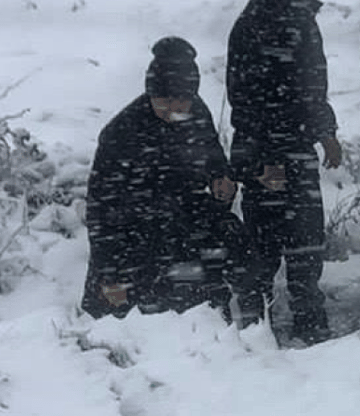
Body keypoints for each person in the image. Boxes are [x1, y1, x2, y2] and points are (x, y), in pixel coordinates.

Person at [81, 37, 255, 321]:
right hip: (132, 230)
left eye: (182, 102)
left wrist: (221, 182)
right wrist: (110, 273)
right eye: (166, 101)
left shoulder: (196, 113)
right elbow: (100, 210)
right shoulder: (121, 132)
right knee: (125, 313)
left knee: (234, 251)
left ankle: (241, 324)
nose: (175, 109)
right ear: (151, 94)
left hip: (188, 220)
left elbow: (214, 160)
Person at [227, 0, 343, 345]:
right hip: (268, 155)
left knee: (308, 248)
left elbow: (314, 85)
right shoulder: (250, 26)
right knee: (262, 253)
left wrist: (326, 131)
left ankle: (312, 328)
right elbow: (243, 103)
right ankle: (256, 336)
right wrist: (260, 165)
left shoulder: (304, 21)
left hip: (299, 151)